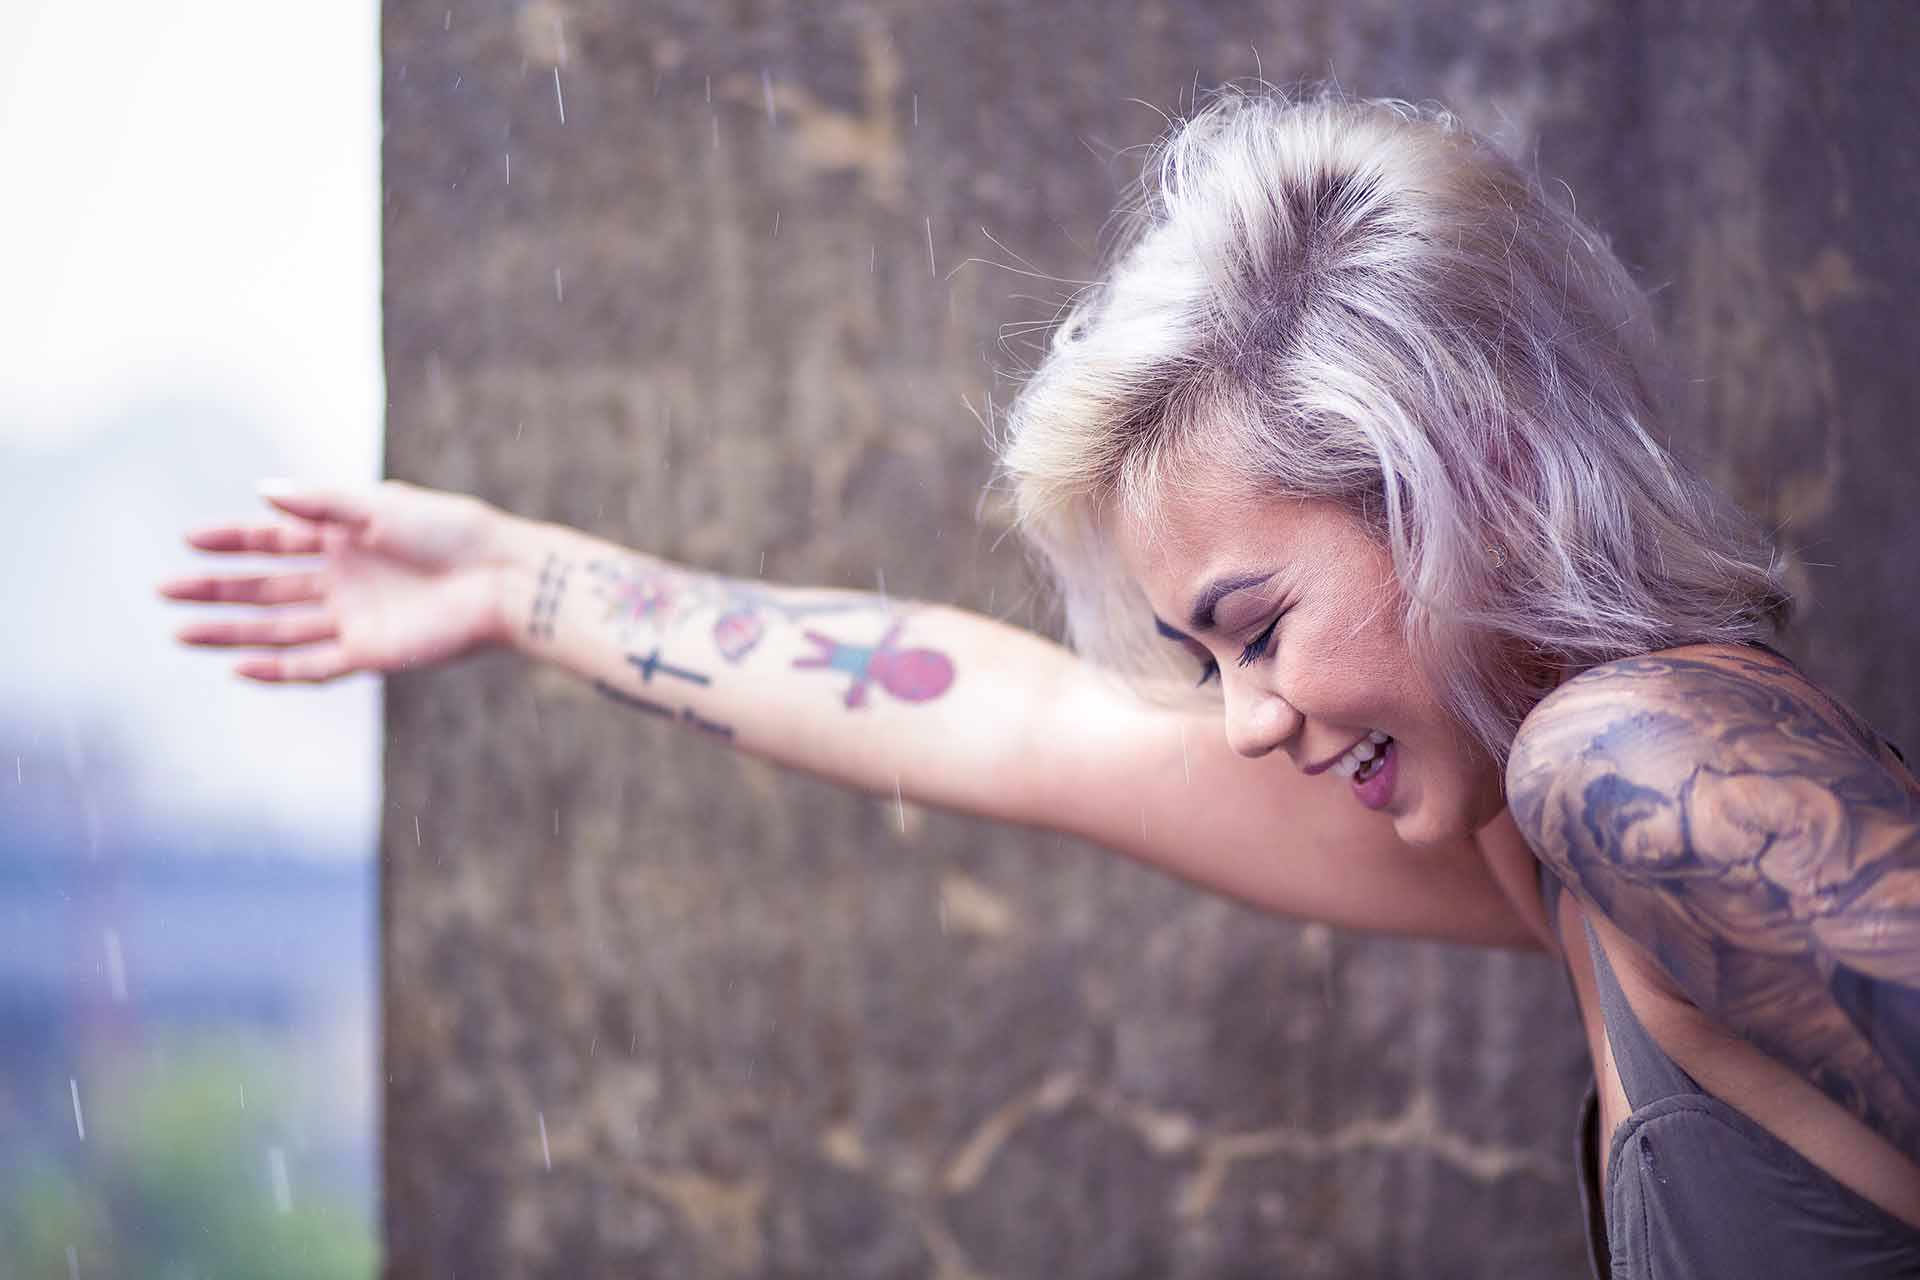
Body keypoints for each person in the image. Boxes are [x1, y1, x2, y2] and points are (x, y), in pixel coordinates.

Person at [157, 86, 1920, 1275]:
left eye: (1258, 625)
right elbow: (1010, 723)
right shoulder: (1546, 851)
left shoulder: (1641, 767)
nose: (1245, 718)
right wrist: (517, 581)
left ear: (1482, 474)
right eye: (1204, 657)